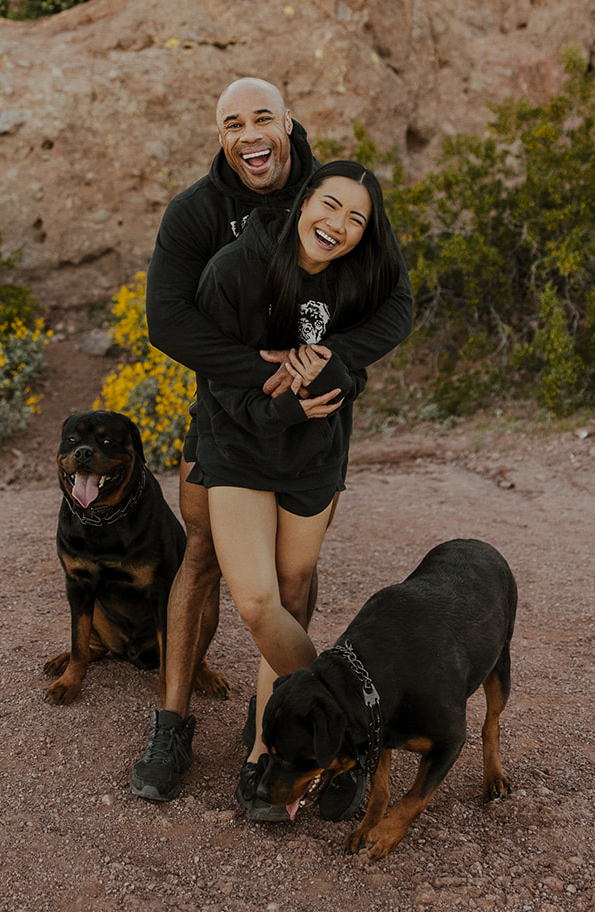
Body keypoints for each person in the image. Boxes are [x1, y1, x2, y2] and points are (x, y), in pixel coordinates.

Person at [129, 79, 413, 807]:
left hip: (310, 424)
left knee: (291, 581)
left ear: (287, 123)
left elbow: (390, 297)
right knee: (203, 550)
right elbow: (168, 322)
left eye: (262, 118)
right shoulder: (199, 213)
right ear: (219, 133)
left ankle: (274, 728)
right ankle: (172, 721)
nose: (249, 135)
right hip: (225, 408)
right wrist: (262, 377)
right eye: (232, 123)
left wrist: (336, 368)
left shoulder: (332, 197)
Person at [192, 159, 405, 819]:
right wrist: (282, 407)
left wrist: (338, 362)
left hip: (314, 460)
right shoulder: (232, 268)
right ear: (302, 200)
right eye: (329, 205)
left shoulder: (358, 281)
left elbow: (381, 338)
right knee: (257, 603)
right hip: (238, 448)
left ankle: (267, 754)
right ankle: (342, 724)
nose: (337, 225)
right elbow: (217, 379)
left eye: (355, 219)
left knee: (290, 592)